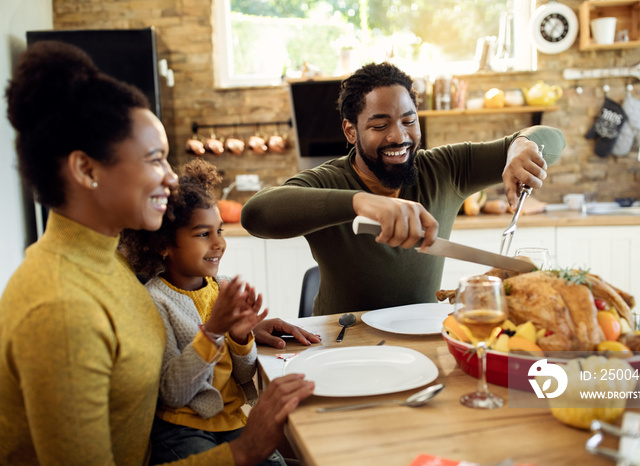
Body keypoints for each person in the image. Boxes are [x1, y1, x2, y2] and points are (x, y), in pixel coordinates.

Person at [0, 40, 314, 466]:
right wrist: (244, 450)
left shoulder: (106, 259)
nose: (170, 178)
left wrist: (238, 330)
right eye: (155, 159)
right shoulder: (61, 307)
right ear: (86, 170)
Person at [241, 62, 566, 316]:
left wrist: (522, 145)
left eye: (409, 121)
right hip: (342, 342)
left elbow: (552, 139)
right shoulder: (328, 181)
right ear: (351, 131)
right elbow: (256, 214)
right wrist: (362, 203)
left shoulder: (447, 168)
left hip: (425, 339)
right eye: (380, 125)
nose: (399, 136)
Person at [120, 159, 285, 465]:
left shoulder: (221, 287)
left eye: (219, 231)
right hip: (181, 427)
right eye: (202, 234)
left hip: (231, 420)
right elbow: (174, 393)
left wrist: (239, 336)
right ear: (163, 244)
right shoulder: (155, 301)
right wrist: (212, 332)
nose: (219, 243)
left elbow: (244, 374)